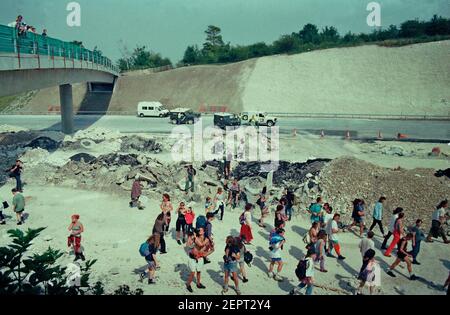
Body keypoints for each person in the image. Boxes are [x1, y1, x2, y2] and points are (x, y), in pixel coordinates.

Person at [185, 228, 208, 292]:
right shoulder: (195, 237)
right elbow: (188, 245)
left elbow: (201, 244)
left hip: (200, 257)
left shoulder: (206, 239)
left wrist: (195, 237)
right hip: (192, 258)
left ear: (203, 232)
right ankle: (188, 284)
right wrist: (191, 238)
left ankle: (198, 283)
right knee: (192, 272)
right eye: (199, 230)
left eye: (201, 230)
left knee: (199, 271)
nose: (199, 231)